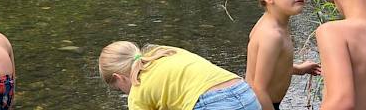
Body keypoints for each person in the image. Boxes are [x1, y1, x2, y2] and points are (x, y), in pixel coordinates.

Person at [245, 0, 321, 110]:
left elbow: (273, 66)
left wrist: (299, 69)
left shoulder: (275, 23)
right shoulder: (271, 36)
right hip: (260, 104)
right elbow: (259, 89)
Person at [99, 41, 261, 110]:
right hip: (246, 93)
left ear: (119, 77)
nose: (125, 92)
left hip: (213, 104)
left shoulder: (137, 93)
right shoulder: (164, 52)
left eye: (120, 89)